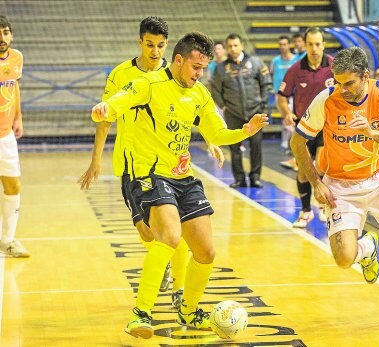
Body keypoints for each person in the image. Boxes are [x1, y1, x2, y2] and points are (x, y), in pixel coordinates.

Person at [90, 31, 269, 338]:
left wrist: (244, 131)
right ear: (178, 60)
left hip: (182, 177)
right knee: (170, 237)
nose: (200, 74)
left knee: (205, 252)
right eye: (196, 67)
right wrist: (105, 108)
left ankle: (188, 310)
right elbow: (121, 99)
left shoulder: (199, 94)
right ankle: (140, 314)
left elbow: (217, 133)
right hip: (149, 175)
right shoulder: (150, 84)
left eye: (204, 69)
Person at [78, 17, 213, 307]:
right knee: (148, 232)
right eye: (150, 44)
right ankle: (161, 263)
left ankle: (178, 289)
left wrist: (213, 140)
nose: (155, 51)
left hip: (167, 166)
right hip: (131, 164)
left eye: (161, 45)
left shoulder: (175, 73)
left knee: (173, 228)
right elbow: (105, 119)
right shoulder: (120, 74)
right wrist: (95, 161)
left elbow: (196, 113)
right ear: (140, 42)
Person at [291, 47, 379, 326]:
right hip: (341, 186)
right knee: (343, 258)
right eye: (337, 82)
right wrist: (316, 181)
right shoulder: (325, 100)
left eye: (348, 83)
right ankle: (367, 247)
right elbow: (297, 142)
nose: (342, 89)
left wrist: (372, 133)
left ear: (365, 76)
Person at [278, 27, 334, 227]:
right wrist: (286, 113)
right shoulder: (296, 69)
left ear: (323, 45)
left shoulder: (334, 66)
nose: (314, 48)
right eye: (310, 44)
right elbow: (282, 96)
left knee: (321, 165)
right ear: (304, 45)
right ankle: (305, 211)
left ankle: (323, 206)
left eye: (318, 44)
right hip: (303, 126)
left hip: (326, 126)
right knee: (303, 170)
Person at [211, 33, 272, 188]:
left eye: (236, 45)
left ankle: (255, 177)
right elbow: (215, 90)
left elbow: (266, 83)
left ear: (242, 45)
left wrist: (263, 104)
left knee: (256, 146)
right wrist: (223, 106)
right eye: (230, 46)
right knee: (235, 147)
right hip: (233, 113)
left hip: (255, 112)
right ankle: (239, 179)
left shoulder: (256, 62)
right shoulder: (221, 68)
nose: (233, 49)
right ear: (226, 48)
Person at [0, 16, 29, 258]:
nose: (2, 38)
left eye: (6, 33)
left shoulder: (17, 57)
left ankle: (7, 240)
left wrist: (18, 117)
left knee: (13, 186)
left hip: (5, 135)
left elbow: (14, 86)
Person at [269, 35, 299, 154]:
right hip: (280, 95)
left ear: (289, 45)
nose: (282, 46)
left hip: (294, 94)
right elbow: (270, 73)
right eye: (280, 44)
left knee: (291, 119)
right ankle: (289, 144)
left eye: (285, 44)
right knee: (286, 118)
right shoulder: (275, 61)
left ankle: (287, 143)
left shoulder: (296, 60)